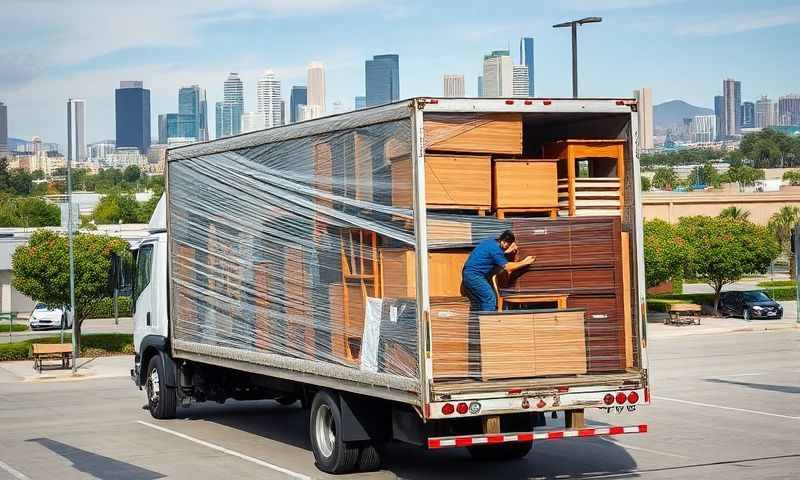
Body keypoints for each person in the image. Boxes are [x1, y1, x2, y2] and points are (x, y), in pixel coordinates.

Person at [461, 230, 535, 311]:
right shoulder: (496, 250)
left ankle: (476, 322)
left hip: (470, 273)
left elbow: (494, 258)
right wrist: (525, 262)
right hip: (474, 276)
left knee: (478, 303)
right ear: (502, 241)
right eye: (507, 243)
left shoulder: (492, 242)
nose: (507, 245)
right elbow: (507, 267)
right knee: (490, 299)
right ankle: (487, 322)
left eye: (510, 244)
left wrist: (505, 252)